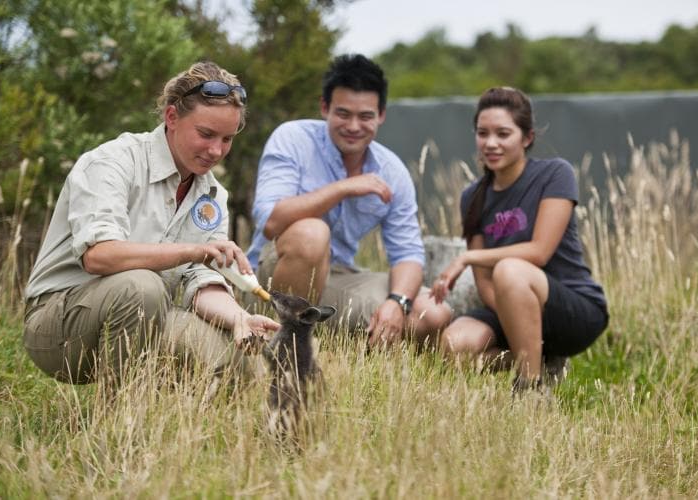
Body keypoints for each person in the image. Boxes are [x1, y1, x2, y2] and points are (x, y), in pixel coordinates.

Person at [23, 61, 279, 387]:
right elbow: (99, 255)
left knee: (238, 364)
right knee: (142, 286)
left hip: (145, 314)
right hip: (58, 326)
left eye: (227, 139)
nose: (216, 150)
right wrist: (193, 250)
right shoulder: (112, 161)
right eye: (206, 134)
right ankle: (118, 426)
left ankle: (169, 428)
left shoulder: (213, 195)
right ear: (172, 117)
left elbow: (201, 278)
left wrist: (239, 318)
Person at [246, 54, 451, 348]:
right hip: (268, 279)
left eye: (366, 116)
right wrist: (343, 188)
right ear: (324, 107)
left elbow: (408, 254)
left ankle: (335, 340)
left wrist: (397, 302)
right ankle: (288, 347)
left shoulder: (391, 171)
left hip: (337, 278)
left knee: (432, 312)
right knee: (312, 233)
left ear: (381, 115)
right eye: (343, 114)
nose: (354, 126)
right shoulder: (292, 138)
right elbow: (270, 222)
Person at [430, 87, 608, 392]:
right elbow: (486, 287)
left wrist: (467, 257)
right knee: (452, 346)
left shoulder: (554, 174)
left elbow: (538, 252)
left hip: (571, 308)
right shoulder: (472, 196)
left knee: (510, 269)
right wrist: (517, 318)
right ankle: (537, 358)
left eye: (503, 134)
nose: (491, 143)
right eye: (482, 133)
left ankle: (529, 388)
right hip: (507, 306)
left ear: (526, 138)